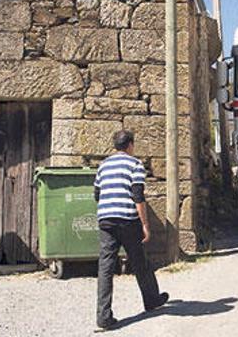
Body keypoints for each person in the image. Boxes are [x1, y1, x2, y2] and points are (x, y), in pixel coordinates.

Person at [94, 130, 169, 330]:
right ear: (130, 145)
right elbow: (138, 196)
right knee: (140, 261)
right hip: (127, 220)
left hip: (106, 220)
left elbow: (97, 194)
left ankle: (103, 317)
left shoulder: (103, 166)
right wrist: (145, 225)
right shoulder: (135, 165)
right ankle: (152, 299)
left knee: (106, 268)